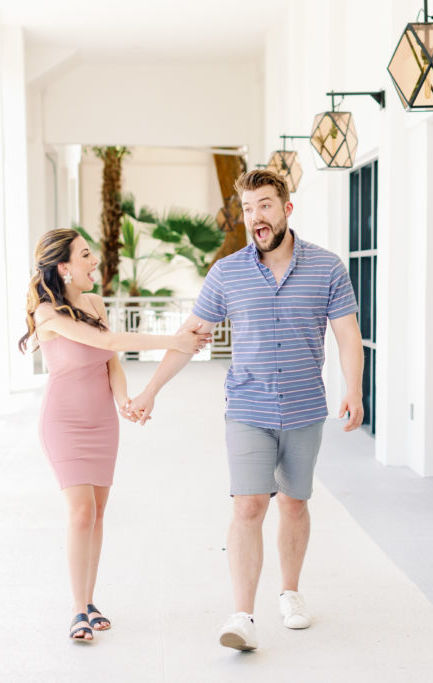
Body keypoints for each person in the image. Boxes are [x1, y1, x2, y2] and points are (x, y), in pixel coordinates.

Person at [125, 169, 364, 651]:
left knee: (295, 503)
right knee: (249, 505)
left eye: (265, 206)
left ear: (287, 209)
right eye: (248, 208)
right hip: (248, 407)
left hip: (304, 408)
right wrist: (150, 390)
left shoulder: (328, 267)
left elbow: (346, 334)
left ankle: (291, 594)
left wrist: (355, 391)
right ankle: (243, 615)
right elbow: (188, 336)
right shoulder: (227, 272)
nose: (255, 217)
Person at [18, 228, 211, 642]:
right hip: (63, 422)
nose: (95, 262)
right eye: (86, 255)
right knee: (81, 512)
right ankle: (76, 610)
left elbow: (111, 360)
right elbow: (108, 339)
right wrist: (174, 339)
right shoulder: (48, 315)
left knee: (99, 513)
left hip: (101, 421)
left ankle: (89, 600)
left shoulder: (92, 302)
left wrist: (124, 400)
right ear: (64, 267)